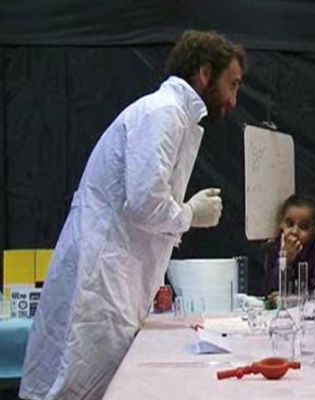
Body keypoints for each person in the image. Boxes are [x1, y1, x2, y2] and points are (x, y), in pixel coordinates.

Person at [19, 30, 245, 400]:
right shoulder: (164, 113)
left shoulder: (172, 115)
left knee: (80, 381)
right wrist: (190, 213)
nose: (234, 99)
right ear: (204, 72)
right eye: (232, 84)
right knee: (77, 385)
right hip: (105, 276)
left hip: (114, 272)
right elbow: (144, 203)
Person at [263, 194, 315, 295]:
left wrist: (291, 298)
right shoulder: (273, 248)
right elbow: (271, 288)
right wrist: (285, 260)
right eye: (289, 224)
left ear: (314, 230)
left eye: (303, 227)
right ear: (281, 224)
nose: (294, 231)